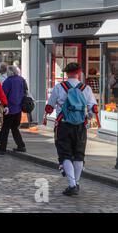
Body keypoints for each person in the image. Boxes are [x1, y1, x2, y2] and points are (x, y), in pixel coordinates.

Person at [44, 63, 97, 196]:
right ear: (78, 73)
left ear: (67, 73)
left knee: (65, 153)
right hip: (80, 126)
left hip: (64, 125)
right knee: (79, 154)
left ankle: (72, 184)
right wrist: (88, 116)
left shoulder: (59, 87)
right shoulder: (86, 88)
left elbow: (49, 106)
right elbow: (93, 110)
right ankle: (76, 183)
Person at [0, 65, 27, 155]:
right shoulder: (21, 80)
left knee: (5, 129)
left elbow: (3, 95)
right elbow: (25, 91)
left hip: (9, 108)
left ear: (9, 72)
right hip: (19, 108)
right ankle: (21, 145)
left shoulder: (8, 81)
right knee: (14, 128)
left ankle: (2, 149)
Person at [0, 62, 8, 131]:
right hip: (6, 100)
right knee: (5, 115)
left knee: (1, 115)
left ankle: (4, 129)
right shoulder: (8, 78)